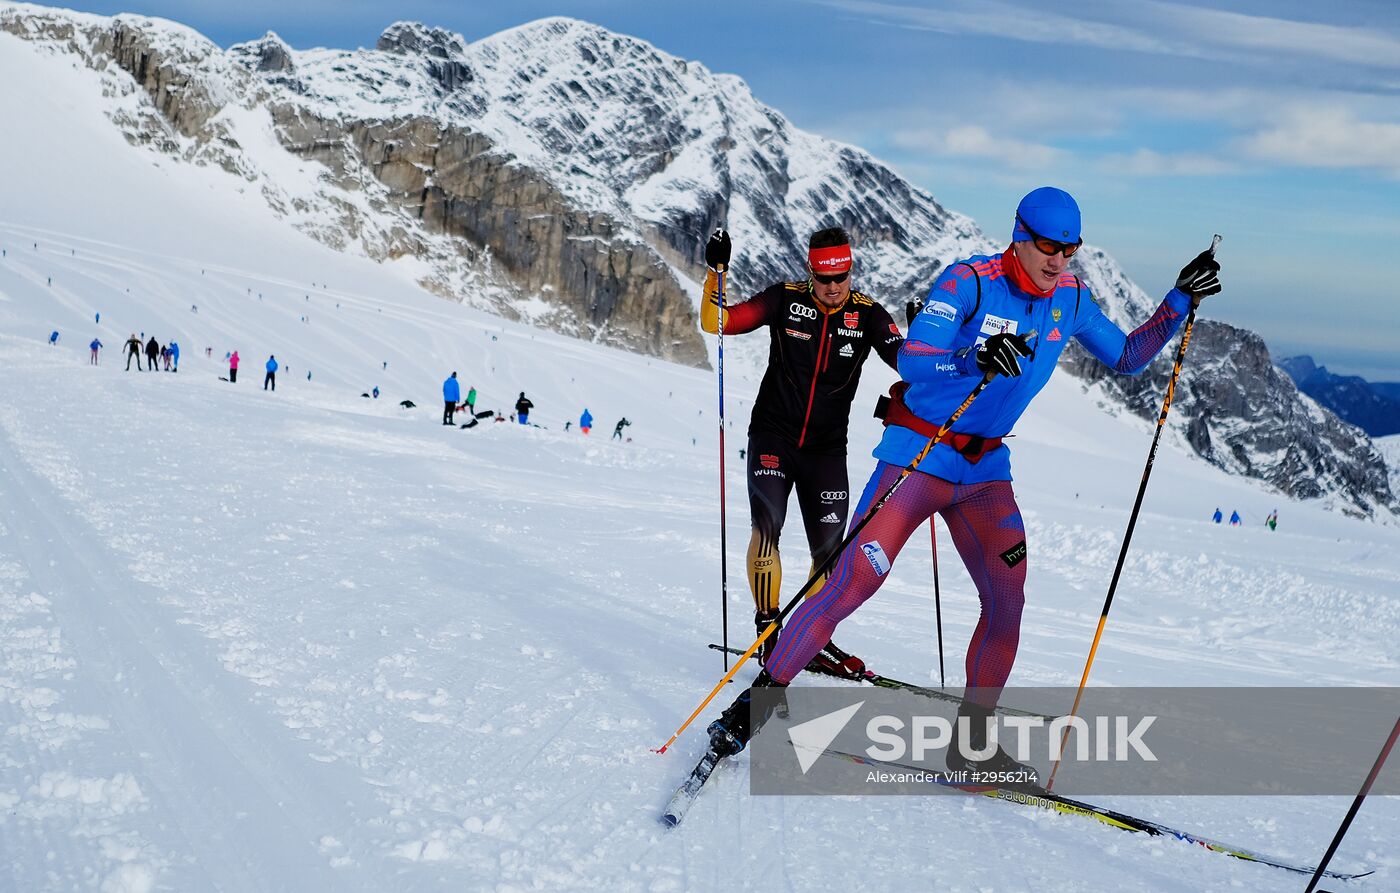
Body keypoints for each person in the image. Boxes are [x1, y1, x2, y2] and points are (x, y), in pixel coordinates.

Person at [704, 186, 1222, 775]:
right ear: (1021, 237)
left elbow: (1127, 356)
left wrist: (1180, 299)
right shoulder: (968, 283)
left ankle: (972, 748)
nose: (1059, 261)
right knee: (852, 581)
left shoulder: (1070, 298)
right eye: (1049, 247)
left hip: (984, 472)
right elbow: (914, 358)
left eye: (1070, 250)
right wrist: (975, 357)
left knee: (1007, 600)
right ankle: (753, 710)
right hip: (919, 455)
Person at [699, 225, 903, 671]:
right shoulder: (786, 298)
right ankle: (769, 628)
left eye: (841, 278)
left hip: (827, 451)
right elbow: (719, 322)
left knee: (830, 552)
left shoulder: (867, 314)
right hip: (774, 435)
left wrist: (930, 338)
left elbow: (904, 358)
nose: (833, 288)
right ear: (810, 273)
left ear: (850, 271)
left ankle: (813, 635)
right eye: (824, 279)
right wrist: (716, 271)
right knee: (767, 527)